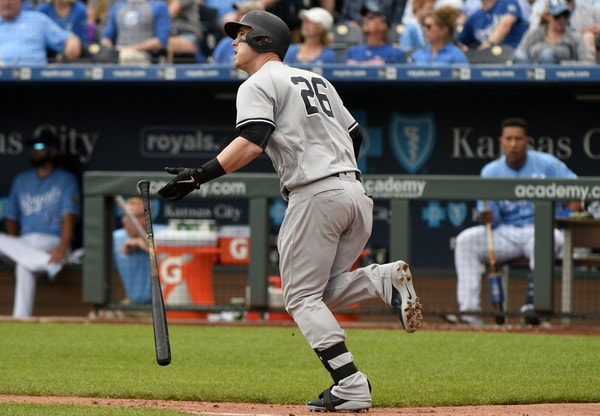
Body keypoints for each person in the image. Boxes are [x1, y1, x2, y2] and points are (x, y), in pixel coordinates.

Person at [156, 10, 422, 412]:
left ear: (262, 41)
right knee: (316, 293)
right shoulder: (317, 79)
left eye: (242, 35)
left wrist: (198, 177)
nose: (233, 42)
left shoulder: (258, 82)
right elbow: (356, 135)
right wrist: (333, 169)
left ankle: (350, 383)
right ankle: (381, 280)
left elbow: (252, 139)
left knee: (299, 298)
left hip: (316, 195)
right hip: (354, 194)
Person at [449, 117, 581, 326]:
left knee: (543, 240)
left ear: (527, 141)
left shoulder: (547, 164)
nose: (513, 144)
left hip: (542, 230)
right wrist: (489, 218)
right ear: (501, 141)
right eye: (509, 139)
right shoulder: (490, 171)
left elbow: (577, 194)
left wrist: (564, 218)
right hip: (507, 233)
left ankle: (532, 308)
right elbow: (493, 220)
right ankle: (469, 315)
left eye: (518, 139)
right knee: (466, 241)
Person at [0, 128, 80, 318]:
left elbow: (69, 217)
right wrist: (17, 246)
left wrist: (62, 248)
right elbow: (11, 219)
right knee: (18, 253)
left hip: (51, 240)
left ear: (53, 151)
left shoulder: (66, 179)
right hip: (26, 241)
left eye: (40, 147)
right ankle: (46, 263)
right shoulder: (22, 180)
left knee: (23, 265)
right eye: (32, 147)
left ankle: (20, 319)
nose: (34, 151)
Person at [512, 0, 596, 64]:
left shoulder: (574, 37)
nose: (562, 19)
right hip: (532, 82)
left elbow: (588, 62)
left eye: (565, 15)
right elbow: (519, 54)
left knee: (548, 57)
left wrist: (559, 66)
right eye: (557, 16)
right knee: (520, 57)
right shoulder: (534, 34)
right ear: (548, 16)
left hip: (565, 82)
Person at [0, 0, 82, 66]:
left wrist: (72, 40)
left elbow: (67, 38)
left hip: (36, 80)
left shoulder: (37, 20)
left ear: (20, 1)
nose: (7, 2)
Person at [99, 0, 171, 65]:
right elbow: (106, 38)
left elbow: (161, 41)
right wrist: (110, 51)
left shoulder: (159, 6)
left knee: (128, 55)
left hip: (145, 55)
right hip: (118, 54)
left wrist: (128, 49)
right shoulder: (117, 7)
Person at [456, 0, 529, 51]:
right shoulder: (474, 17)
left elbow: (505, 25)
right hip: (485, 59)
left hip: (511, 54)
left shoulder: (508, 2)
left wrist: (487, 45)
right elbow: (461, 41)